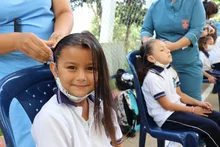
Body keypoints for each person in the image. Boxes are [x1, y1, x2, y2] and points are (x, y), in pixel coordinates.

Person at [0, 1, 73, 147]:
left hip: (54, 70)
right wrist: (17, 42)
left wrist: (60, 34)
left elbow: (64, 11)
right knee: (27, 138)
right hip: (11, 80)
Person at [31, 31, 124, 147]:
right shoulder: (50, 118)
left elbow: (117, 144)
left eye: (90, 68)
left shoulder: (103, 108)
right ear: (55, 70)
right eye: (71, 67)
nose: (81, 78)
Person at [136, 39, 220, 147]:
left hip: (177, 109)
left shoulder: (170, 70)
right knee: (210, 126)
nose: (168, 50)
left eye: (166, 47)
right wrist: (193, 110)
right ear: (151, 58)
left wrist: (198, 103)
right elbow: (167, 105)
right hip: (167, 117)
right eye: (162, 50)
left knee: (217, 117)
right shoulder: (153, 78)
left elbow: (180, 95)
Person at [141, 0, 206, 101]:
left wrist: (174, 46)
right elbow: (146, 29)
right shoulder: (156, 5)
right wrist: (147, 41)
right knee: (164, 106)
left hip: (187, 65)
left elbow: (196, 30)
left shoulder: (195, 3)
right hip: (160, 67)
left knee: (193, 104)